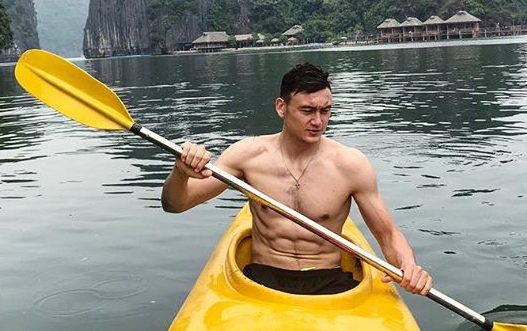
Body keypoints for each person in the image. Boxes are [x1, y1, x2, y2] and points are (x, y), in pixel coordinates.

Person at [161, 63, 432, 296]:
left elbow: (387, 234)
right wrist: (180, 173)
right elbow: (176, 204)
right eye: (307, 110)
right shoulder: (248, 155)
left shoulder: (350, 164)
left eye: (325, 111)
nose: (318, 121)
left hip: (329, 280)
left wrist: (408, 265)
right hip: (263, 277)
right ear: (281, 107)